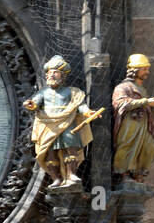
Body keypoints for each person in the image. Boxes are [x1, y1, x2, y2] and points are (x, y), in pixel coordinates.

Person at [24, 55, 99, 186]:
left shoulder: (71, 92)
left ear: (63, 75)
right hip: (48, 124)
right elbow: (35, 102)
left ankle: (71, 175)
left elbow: (79, 105)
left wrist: (87, 112)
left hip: (68, 123)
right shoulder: (43, 92)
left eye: (55, 73)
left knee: (71, 148)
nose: (51, 75)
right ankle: (56, 178)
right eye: (49, 73)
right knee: (50, 153)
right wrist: (31, 104)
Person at [112, 53, 154, 181]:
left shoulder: (141, 88)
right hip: (130, 123)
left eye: (147, 69)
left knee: (149, 149)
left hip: (143, 123)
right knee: (127, 146)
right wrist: (146, 101)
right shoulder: (123, 87)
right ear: (135, 70)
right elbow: (119, 103)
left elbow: (146, 107)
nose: (147, 72)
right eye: (144, 69)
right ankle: (123, 174)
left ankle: (138, 173)